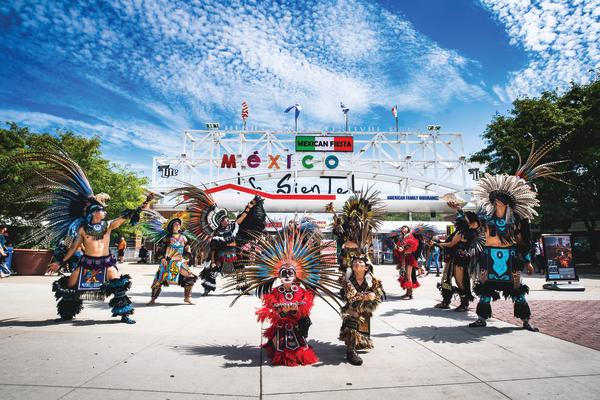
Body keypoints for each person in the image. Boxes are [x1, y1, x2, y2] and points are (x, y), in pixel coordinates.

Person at [13, 146, 150, 324]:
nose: (105, 213)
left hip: (106, 261)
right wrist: (60, 261)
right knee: (71, 284)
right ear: (94, 212)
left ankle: (124, 315)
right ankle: (66, 314)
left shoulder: (108, 226)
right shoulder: (83, 229)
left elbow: (126, 217)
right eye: (101, 210)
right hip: (86, 261)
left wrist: (144, 204)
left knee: (117, 284)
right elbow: (74, 247)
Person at [454, 136, 568, 332]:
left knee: (517, 292)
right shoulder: (485, 219)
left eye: (499, 200)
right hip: (489, 257)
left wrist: (528, 260)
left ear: (507, 203)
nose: (496, 202)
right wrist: (458, 210)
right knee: (485, 291)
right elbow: (470, 226)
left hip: (510, 258)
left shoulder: (517, 222)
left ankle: (526, 320)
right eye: (495, 199)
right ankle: (482, 318)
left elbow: (524, 242)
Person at [228, 228, 341, 366]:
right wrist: (280, 309)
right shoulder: (275, 291)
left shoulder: (301, 291)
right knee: (281, 342)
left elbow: (306, 303)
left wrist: (296, 308)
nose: (287, 275)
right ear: (278, 275)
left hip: (296, 326)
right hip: (282, 326)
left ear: (296, 275)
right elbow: (271, 305)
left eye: (290, 273)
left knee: (300, 347)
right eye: (284, 273)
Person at [172, 185, 267, 296]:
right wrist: (212, 261)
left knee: (240, 270)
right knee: (212, 271)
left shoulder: (233, 226)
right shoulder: (217, 233)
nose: (227, 219)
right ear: (221, 222)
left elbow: (241, 219)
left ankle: (243, 288)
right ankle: (207, 289)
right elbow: (213, 249)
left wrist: (249, 207)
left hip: (234, 252)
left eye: (227, 218)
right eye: (225, 219)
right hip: (221, 254)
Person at [142, 210, 198, 305]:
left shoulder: (184, 238)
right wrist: (162, 259)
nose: (177, 225)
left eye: (178, 224)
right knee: (158, 280)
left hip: (179, 262)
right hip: (167, 262)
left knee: (190, 276)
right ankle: (153, 299)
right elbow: (159, 251)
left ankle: (187, 298)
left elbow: (187, 251)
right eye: (175, 224)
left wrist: (185, 258)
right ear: (172, 226)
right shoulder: (166, 238)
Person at [434, 211, 483, 311]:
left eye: (464, 217)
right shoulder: (463, 230)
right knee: (446, 279)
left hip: (460, 258)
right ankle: (446, 301)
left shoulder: (465, 231)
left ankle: (464, 303)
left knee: (460, 281)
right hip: (455, 257)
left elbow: (451, 244)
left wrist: (438, 243)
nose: (458, 219)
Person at [339, 256, 384, 366]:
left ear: (366, 268)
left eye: (360, 262)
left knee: (362, 335)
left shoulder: (372, 280)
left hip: (365, 308)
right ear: (352, 268)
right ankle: (350, 352)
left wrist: (372, 296)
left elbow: (378, 294)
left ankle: (356, 342)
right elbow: (347, 297)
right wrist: (363, 296)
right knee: (352, 322)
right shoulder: (347, 281)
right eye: (355, 262)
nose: (357, 263)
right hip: (351, 308)